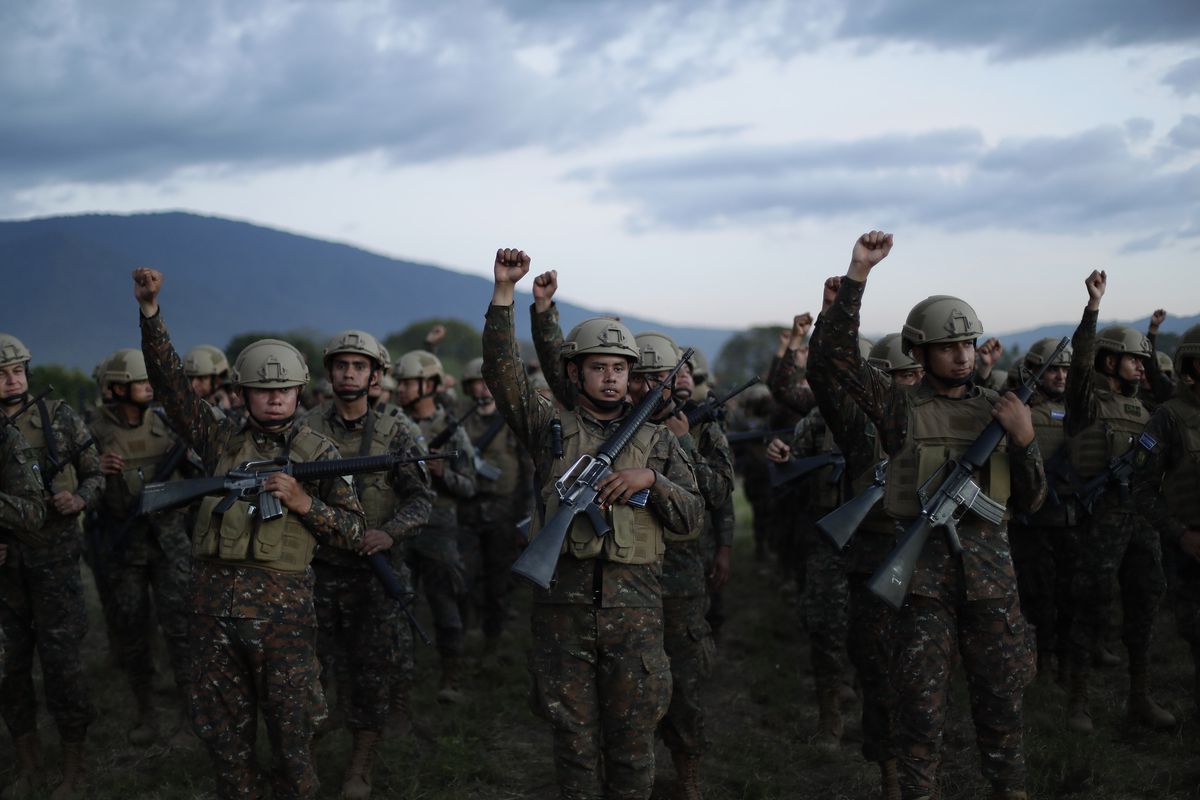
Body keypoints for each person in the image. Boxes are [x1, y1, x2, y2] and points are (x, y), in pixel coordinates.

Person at [811, 231, 1045, 800]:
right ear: (919, 353)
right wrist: (858, 274)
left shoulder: (1002, 410)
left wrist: (1025, 440)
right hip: (920, 588)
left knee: (1002, 710)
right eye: (946, 346)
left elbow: (1033, 499)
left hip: (992, 586)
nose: (962, 355)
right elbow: (834, 360)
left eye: (967, 343)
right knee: (918, 715)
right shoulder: (899, 407)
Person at [133, 267, 366, 800]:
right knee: (223, 734)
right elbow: (170, 384)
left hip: (283, 616)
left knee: (293, 732)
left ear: (300, 391)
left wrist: (306, 503)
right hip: (211, 610)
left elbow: (354, 532)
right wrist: (150, 313)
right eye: (262, 390)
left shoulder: (319, 453)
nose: (274, 399)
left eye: (283, 389)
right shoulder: (218, 438)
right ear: (243, 393)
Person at [484, 248, 704, 800]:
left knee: (633, 747)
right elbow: (503, 374)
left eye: (621, 369)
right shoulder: (549, 427)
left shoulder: (657, 442)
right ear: (574, 372)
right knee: (574, 744)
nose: (611, 379)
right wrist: (505, 296)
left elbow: (695, 517)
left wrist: (650, 483)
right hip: (563, 611)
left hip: (636, 615)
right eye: (599, 368)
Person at [299, 330, 432, 798]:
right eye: (341, 366)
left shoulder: (396, 431)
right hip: (314, 571)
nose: (349, 374)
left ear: (375, 375)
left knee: (371, 673)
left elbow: (421, 500)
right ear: (330, 372)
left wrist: (388, 532)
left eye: (359, 367)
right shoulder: (305, 426)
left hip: (373, 573)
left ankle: (360, 764)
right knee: (307, 672)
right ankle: (305, 761)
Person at [1062, 270, 1175, 734]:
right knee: (1089, 605)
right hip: (1102, 518)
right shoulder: (1088, 403)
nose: (1139, 367)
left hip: (1141, 520)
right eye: (1132, 360)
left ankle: (1139, 696)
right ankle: (1078, 700)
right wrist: (1092, 311)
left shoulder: (1146, 410)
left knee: (1145, 602)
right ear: (1110, 364)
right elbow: (1081, 363)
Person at [0, 333, 102, 800]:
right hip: (6, 569)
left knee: (62, 665)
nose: (11, 380)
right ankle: (27, 764)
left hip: (56, 560)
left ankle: (74, 766)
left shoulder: (58, 416)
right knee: (10, 668)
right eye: (1, 374)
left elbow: (97, 472)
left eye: (17, 371)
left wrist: (79, 496)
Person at [89, 347, 196, 746]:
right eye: (141, 382)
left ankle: (190, 717)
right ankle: (146, 712)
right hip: (125, 546)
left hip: (169, 545)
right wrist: (96, 472)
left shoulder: (168, 428)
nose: (149, 388)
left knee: (183, 631)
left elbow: (198, 479)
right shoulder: (94, 433)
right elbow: (80, 494)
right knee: (133, 632)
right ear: (116, 389)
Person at [393, 349, 476, 703]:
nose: (401, 389)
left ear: (429, 385)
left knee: (444, 603)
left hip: (440, 529)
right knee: (398, 607)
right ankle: (399, 684)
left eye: (408, 382)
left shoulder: (452, 431)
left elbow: (470, 486)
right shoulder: (391, 425)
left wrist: (443, 474)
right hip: (398, 528)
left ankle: (452, 676)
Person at [1133, 324, 1200, 724]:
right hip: (1191, 551)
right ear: (1191, 367)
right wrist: (1180, 533)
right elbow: (1140, 487)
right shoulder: (1169, 418)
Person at [456, 356, 532, 660]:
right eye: (477, 384)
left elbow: (527, 472)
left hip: (504, 512)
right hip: (467, 508)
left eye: (488, 384)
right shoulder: (461, 421)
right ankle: (466, 633)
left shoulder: (510, 422)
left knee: (499, 578)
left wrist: (525, 516)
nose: (483, 390)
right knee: (464, 575)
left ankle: (493, 640)